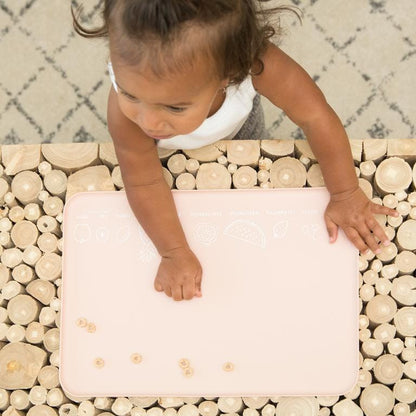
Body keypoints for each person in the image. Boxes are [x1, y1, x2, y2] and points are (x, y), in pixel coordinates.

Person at [72, 0, 399, 301]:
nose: (147, 121)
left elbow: (315, 116)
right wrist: (173, 252)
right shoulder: (126, 116)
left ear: (229, 74)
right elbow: (143, 180)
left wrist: (345, 193)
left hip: (240, 132)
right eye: (130, 93)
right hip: (163, 153)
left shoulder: (257, 65)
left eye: (174, 107)